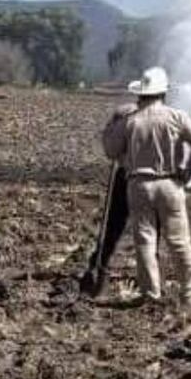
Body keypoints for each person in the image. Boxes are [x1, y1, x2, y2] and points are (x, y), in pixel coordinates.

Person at [102, 67, 191, 307]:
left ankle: (151, 294)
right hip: (170, 184)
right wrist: (188, 173)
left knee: (145, 241)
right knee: (180, 241)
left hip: (138, 185)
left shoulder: (130, 120)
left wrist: (112, 125)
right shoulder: (177, 116)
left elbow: (110, 150)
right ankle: (190, 294)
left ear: (141, 93)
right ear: (163, 93)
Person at [79, 102, 137, 298]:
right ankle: (152, 283)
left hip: (126, 174)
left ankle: (99, 271)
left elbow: (110, 149)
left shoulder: (124, 112)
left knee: (112, 227)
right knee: (150, 230)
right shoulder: (164, 115)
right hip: (151, 178)